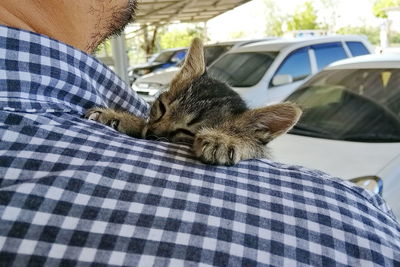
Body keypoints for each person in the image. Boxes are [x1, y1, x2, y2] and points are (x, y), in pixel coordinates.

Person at [0, 0, 399, 266]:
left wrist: (241, 141)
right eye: (159, 110)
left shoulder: (237, 133)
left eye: (181, 133)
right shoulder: (361, 229)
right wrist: (143, 122)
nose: (156, 131)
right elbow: (153, 130)